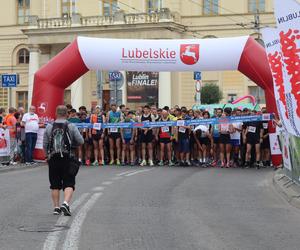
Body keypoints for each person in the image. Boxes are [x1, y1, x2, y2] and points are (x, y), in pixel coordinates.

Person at [43, 105, 84, 216]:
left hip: (53, 157)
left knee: (55, 184)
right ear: (67, 114)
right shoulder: (71, 126)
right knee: (69, 182)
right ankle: (65, 203)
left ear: (56, 113)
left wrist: (46, 156)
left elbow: (45, 143)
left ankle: (56, 208)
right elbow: (81, 141)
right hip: (67, 157)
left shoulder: (49, 126)